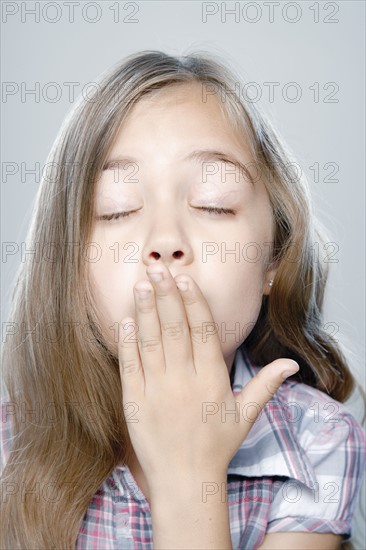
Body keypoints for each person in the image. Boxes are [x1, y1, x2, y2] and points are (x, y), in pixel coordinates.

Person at [1, 50, 365, 549]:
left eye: (214, 203)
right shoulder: (8, 453)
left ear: (274, 258)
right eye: (116, 209)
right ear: (70, 267)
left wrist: (187, 473)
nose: (166, 239)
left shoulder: (318, 441)